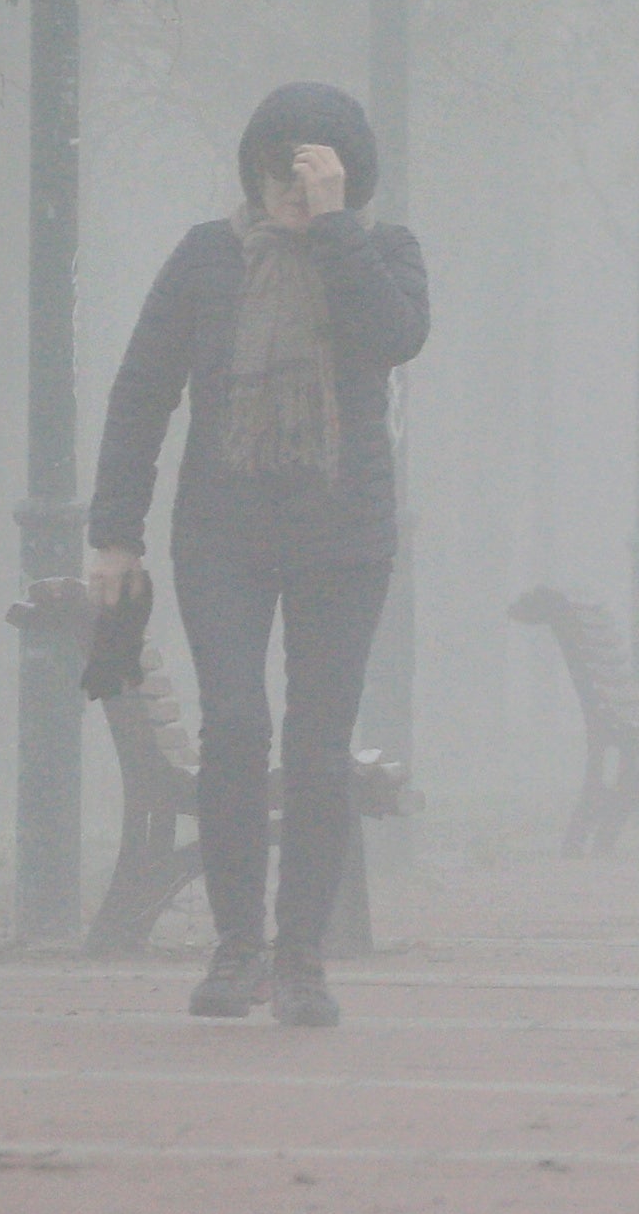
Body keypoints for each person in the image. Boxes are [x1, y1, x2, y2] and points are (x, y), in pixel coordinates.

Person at [84, 82, 431, 1027]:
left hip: (343, 537)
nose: (291, 185)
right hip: (224, 533)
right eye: (278, 167)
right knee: (237, 728)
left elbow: (394, 338)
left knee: (318, 746)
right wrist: (114, 531)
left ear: (348, 176)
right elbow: (142, 390)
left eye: (313, 169)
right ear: (253, 168)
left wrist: (334, 225)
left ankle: (302, 958)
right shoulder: (208, 258)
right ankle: (236, 949)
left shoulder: (380, 254)